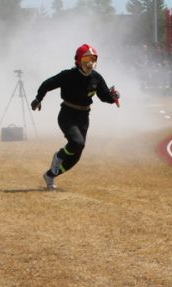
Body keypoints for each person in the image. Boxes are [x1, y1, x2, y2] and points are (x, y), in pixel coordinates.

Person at [31, 44, 120, 191]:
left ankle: (50, 175)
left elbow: (104, 96)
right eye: (86, 59)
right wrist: (38, 99)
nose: (90, 63)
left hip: (84, 117)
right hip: (67, 114)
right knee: (77, 142)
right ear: (78, 60)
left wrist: (114, 96)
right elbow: (47, 84)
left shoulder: (96, 78)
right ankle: (58, 156)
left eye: (93, 59)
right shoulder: (68, 75)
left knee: (77, 155)